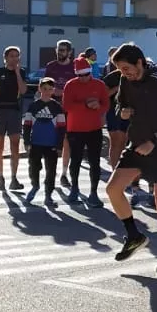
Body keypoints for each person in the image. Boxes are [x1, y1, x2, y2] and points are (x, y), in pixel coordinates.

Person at [104, 43, 157, 274]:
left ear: (140, 62)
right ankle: (133, 235)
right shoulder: (124, 80)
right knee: (113, 189)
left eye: (127, 67)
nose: (124, 73)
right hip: (137, 144)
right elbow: (120, 104)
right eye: (120, 69)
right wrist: (123, 111)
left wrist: (154, 141)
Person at [62, 57, 108, 207]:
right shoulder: (70, 85)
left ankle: (93, 193)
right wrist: (87, 105)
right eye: (80, 75)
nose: (83, 78)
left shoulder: (99, 84)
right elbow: (67, 106)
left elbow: (106, 104)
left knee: (95, 161)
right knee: (75, 160)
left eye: (86, 74)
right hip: (75, 129)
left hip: (94, 128)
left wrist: (98, 108)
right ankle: (74, 188)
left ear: (90, 72)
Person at [0, 46, 28, 191]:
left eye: (17, 56)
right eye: (11, 56)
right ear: (5, 57)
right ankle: (0, 178)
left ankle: (14, 178)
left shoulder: (21, 72)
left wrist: (17, 73)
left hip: (14, 111)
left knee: (15, 146)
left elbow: (23, 91)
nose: (14, 59)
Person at [23, 77, 67, 204]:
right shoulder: (33, 106)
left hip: (51, 144)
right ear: (39, 89)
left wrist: (59, 145)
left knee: (51, 170)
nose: (46, 91)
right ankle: (35, 185)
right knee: (33, 167)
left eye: (49, 89)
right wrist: (26, 141)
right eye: (44, 89)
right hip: (36, 143)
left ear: (53, 90)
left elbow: (62, 128)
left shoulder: (57, 107)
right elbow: (27, 125)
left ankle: (48, 194)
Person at [44, 41, 79, 188]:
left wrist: (64, 93)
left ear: (69, 52)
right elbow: (44, 85)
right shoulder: (50, 66)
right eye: (58, 50)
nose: (60, 53)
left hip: (69, 108)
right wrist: (51, 92)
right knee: (50, 141)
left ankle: (64, 173)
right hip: (52, 107)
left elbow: (78, 86)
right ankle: (49, 172)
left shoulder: (74, 67)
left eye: (63, 50)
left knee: (66, 141)